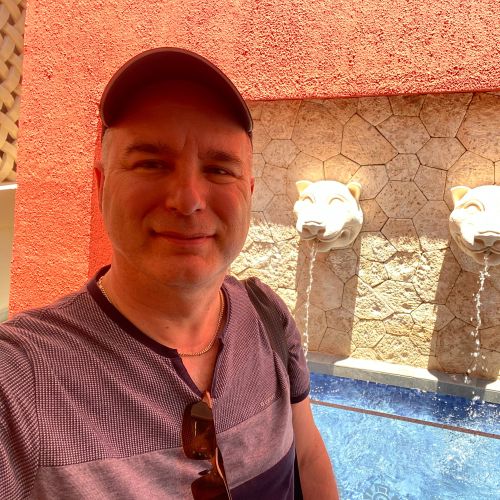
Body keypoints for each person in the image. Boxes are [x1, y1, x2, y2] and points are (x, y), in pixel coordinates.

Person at [0, 47, 339, 499]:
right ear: (102, 185)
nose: (188, 199)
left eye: (219, 169)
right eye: (151, 163)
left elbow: (308, 455)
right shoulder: (21, 380)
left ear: (249, 193)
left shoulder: (268, 316)